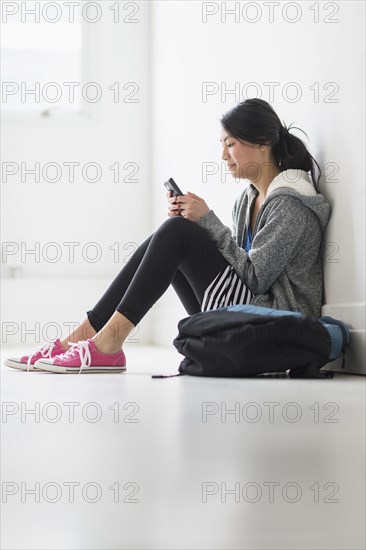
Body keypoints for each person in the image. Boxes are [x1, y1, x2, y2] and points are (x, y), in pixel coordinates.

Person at [5, 98, 331, 374]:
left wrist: (207, 222)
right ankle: (85, 336)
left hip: (274, 325)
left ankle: (107, 343)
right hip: (248, 313)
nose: (223, 156)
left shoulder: (291, 204)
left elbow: (256, 278)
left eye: (230, 144)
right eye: (222, 145)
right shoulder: (248, 200)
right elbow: (239, 265)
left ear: (263, 142)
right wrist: (201, 226)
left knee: (178, 232)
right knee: (173, 233)